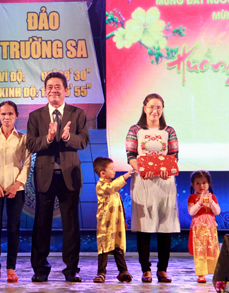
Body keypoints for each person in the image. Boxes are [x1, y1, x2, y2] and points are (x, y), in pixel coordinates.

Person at [26, 71, 89, 282]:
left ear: (66, 90)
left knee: (71, 225)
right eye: (50, 87)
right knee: (41, 224)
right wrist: (49, 137)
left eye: (58, 87)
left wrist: (67, 137)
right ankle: (40, 269)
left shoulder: (77, 114)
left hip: (69, 176)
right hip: (45, 176)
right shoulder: (36, 116)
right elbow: (32, 144)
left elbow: (83, 141)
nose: (54, 90)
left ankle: (71, 269)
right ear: (45, 91)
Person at [126, 93, 180, 283]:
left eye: (158, 107)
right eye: (151, 107)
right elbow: (131, 155)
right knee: (144, 226)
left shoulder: (169, 131)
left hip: (165, 183)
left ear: (162, 110)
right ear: (144, 108)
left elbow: (174, 156)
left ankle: (162, 270)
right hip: (143, 181)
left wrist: (168, 170)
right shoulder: (135, 130)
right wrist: (140, 169)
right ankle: (146, 270)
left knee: (164, 227)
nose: (155, 111)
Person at [0, 101, 31, 283]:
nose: (6, 117)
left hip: (15, 189)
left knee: (13, 229)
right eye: (3, 114)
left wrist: (16, 184)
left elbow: (27, 164)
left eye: (10, 114)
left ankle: (11, 268)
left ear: (16, 115)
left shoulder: (23, 139)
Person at [92, 156, 133, 283]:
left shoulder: (113, 187)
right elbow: (111, 188)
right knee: (104, 247)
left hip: (117, 225)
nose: (114, 170)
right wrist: (125, 177)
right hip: (106, 224)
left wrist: (124, 222)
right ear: (102, 173)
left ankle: (123, 271)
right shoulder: (102, 186)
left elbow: (119, 206)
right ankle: (101, 273)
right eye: (111, 168)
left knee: (118, 248)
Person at [187, 170, 220, 283]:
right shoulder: (192, 197)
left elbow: (217, 212)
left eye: (204, 183)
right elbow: (191, 212)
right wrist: (199, 203)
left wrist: (211, 202)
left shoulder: (212, 197)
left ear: (209, 184)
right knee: (199, 251)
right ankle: (201, 274)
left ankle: (216, 272)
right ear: (193, 184)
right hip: (198, 230)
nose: (201, 186)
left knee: (213, 250)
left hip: (210, 228)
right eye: (198, 183)